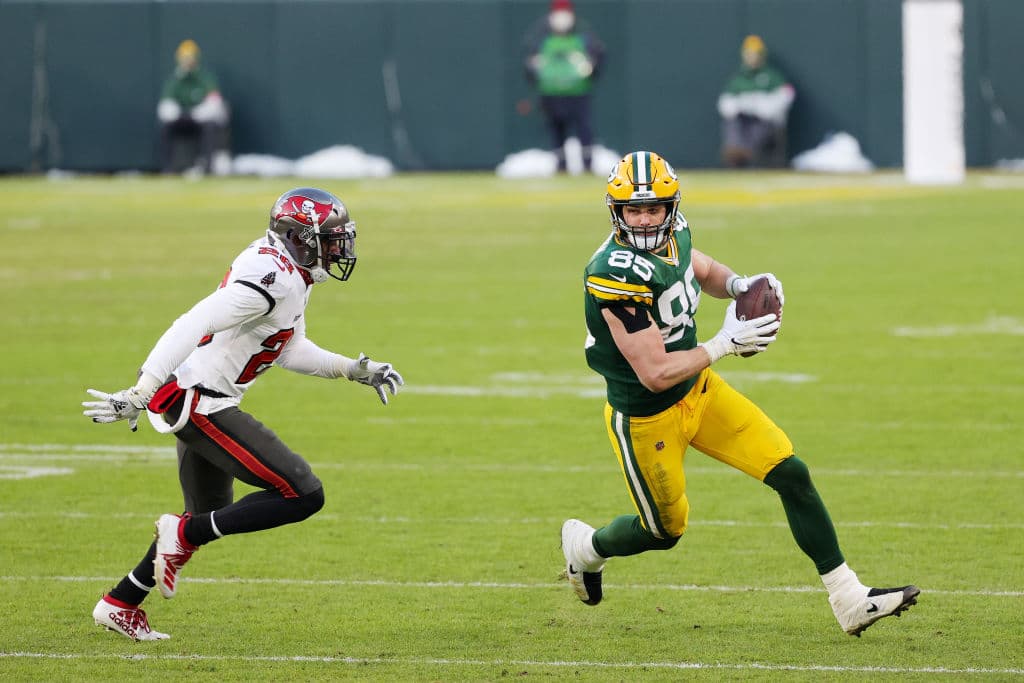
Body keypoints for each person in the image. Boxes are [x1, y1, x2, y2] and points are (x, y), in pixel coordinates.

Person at [564, 151, 919, 637]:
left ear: (671, 207)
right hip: (648, 416)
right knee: (664, 531)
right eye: (633, 210)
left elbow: (699, 267)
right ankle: (587, 549)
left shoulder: (676, 232)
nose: (645, 219)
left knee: (790, 471)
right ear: (616, 211)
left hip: (701, 391)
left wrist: (738, 284)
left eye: (654, 208)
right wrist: (723, 343)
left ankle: (849, 598)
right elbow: (654, 373)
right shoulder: (614, 272)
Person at [82, 187, 404, 641]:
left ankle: (120, 602)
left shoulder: (288, 271)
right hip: (202, 404)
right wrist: (142, 389)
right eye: (329, 239)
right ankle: (181, 534)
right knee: (302, 493)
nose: (338, 248)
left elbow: (287, 347)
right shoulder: (272, 278)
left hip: (201, 398)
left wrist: (349, 369)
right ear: (299, 236)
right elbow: (192, 323)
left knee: (209, 514)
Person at [523, 0, 605, 174]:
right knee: (556, 131)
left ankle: (588, 165)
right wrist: (534, 68)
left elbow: (597, 58)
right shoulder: (541, 37)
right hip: (551, 93)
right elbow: (530, 62)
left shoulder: (583, 35)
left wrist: (591, 67)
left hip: (578, 92)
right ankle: (561, 166)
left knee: (584, 130)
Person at [717, 35, 795, 168]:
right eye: (749, 54)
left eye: (756, 54)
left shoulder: (772, 76)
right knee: (733, 124)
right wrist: (743, 106)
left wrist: (761, 106)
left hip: (765, 123)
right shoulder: (738, 78)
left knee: (759, 127)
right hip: (743, 121)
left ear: (762, 55)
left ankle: (744, 152)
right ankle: (736, 152)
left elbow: (787, 94)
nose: (752, 58)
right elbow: (725, 104)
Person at [157, 39, 231, 176]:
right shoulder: (175, 80)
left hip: (201, 120)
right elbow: (165, 107)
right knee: (166, 128)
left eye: (190, 58)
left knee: (210, 127)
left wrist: (195, 114)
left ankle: (208, 169)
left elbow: (214, 104)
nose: (187, 62)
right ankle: (167, 169)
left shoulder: (205, 78)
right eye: (184, 58)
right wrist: (180, 114)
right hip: (181, 121)